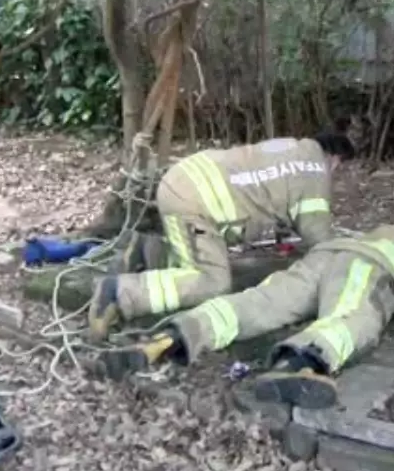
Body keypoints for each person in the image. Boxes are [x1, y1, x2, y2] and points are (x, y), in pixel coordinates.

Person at [92, 217, 394, 410]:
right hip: (369, 269)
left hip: (328, 254)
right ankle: (298, 364)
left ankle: (171, 337)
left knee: (256, 303)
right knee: (353, 319)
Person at [85, 131, 356, 343]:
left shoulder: (291, 148)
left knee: (198, 251)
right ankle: (120, 293)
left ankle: (147, 249)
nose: (335, 174)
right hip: (193, 202)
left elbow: (262, 188)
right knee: (212, 281)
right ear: (334, 158)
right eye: (338, 168)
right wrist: (342, 258)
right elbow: (319, 237)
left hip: (184, 177)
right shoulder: (315, 171)